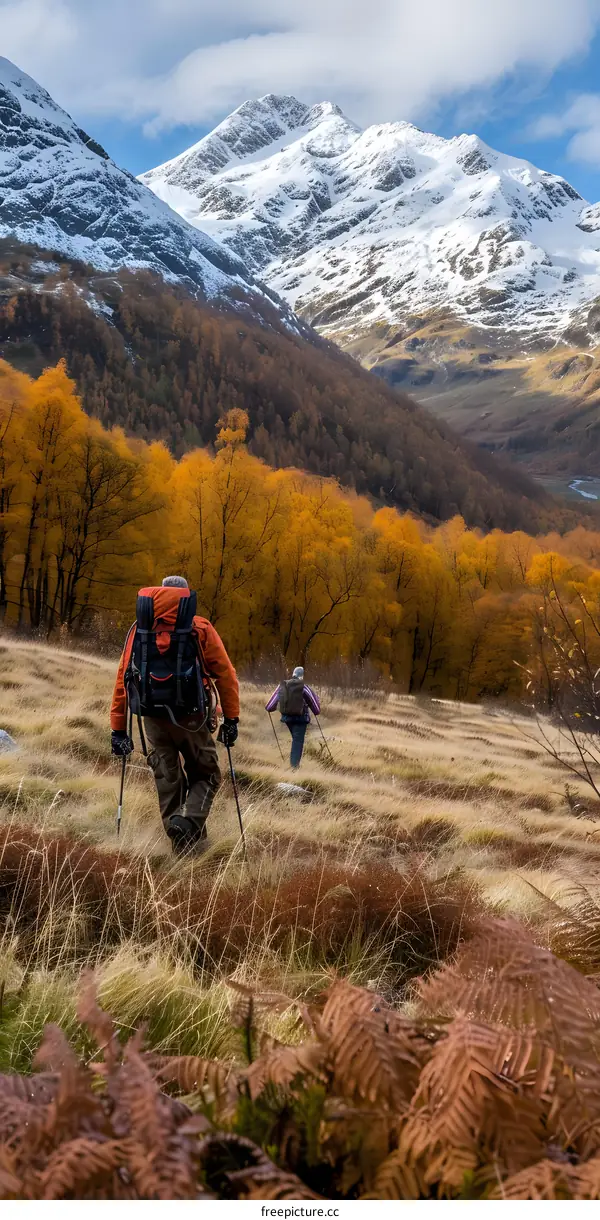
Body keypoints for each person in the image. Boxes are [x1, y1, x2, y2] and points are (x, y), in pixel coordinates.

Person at [110, 576, 239, 855]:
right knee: (207, 775)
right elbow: (226, 675)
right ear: (184, 597)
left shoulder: (140, 630)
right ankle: (190, 825)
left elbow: (123, 680)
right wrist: (232, 719)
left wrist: (118, 730)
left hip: (152, 718)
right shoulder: (199, 627)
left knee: (168, 778)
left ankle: (184, 851)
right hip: (191, 717)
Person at [265, 666, 321, 769]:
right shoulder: (304, 687)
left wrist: (272, 709)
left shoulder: (282, 686)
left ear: (293, 674)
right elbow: (316, 707)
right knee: (298, 741)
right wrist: (315, 711)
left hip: (287, 719)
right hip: (301, 719)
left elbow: (269, 706)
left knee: (296, 739)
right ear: (302, 676)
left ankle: (293, 765)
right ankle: (294, 768)